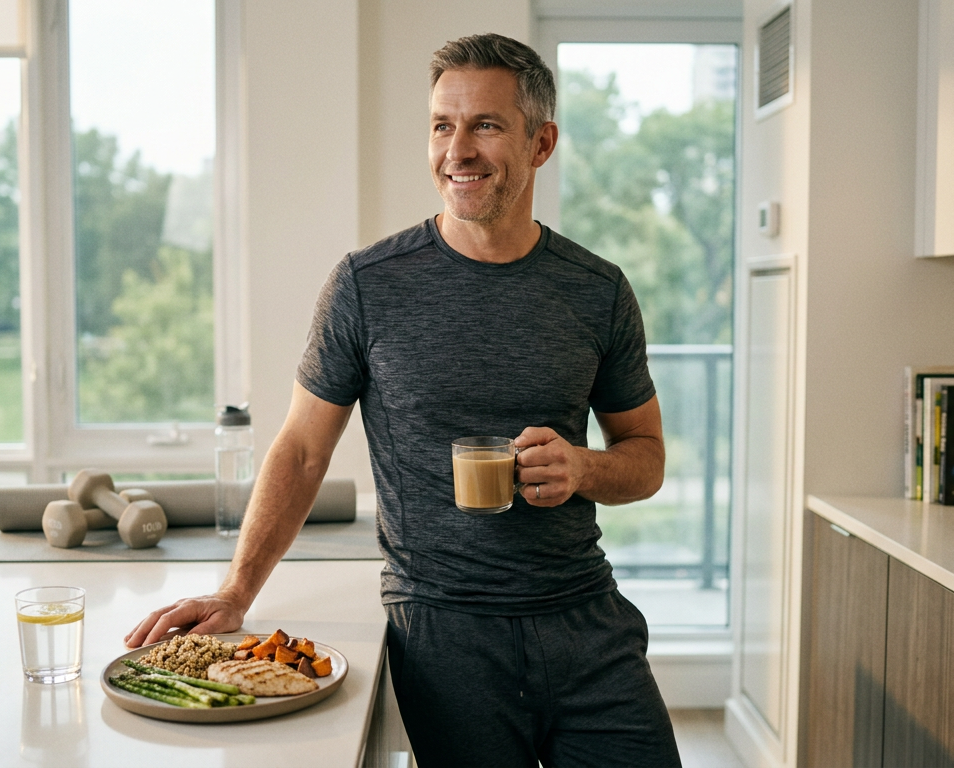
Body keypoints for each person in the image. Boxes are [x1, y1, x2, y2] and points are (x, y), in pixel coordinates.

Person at [125, 32, 680, 767]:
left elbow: (645, 460)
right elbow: (301, 449)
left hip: (588, 622)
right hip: (445, 634)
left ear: (541, 143)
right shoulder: (367, 285)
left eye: (486, 125)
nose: (459, 150)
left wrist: (581, 468)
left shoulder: (596, 289)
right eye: (442, 126)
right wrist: (236, 591)